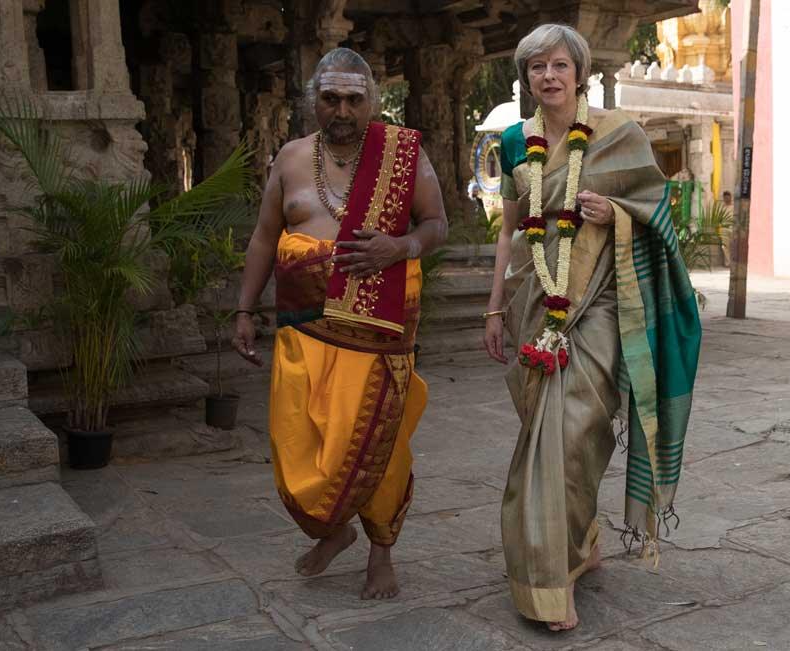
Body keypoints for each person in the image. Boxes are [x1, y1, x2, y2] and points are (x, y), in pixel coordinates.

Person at [481, 24, 702, 631]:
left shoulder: (618, 135)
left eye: (559, 65)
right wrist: (495, 307)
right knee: (545, 429)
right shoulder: (512, 141)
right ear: (525, 79)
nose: (547, 76)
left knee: (575, 428)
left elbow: (659, 210)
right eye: (536, 68)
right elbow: (507, 231)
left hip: (600, 302)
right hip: (535, 298)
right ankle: (574, 545)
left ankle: (549, 583)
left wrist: (617, 212)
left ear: (578, 73)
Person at [232, 47, 448, 600]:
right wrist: (243, 308)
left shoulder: (404, 156)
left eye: (354, 99)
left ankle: (380, 550)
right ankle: (334, 529)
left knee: (378, 440)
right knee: (294, 445)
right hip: (301, 325)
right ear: (313, 103)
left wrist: (399, 245)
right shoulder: (289, 159)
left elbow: (436, 225)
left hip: (378, 323)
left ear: (373, 101)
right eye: (331, 99)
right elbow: (262, 237)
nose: (343, 110)